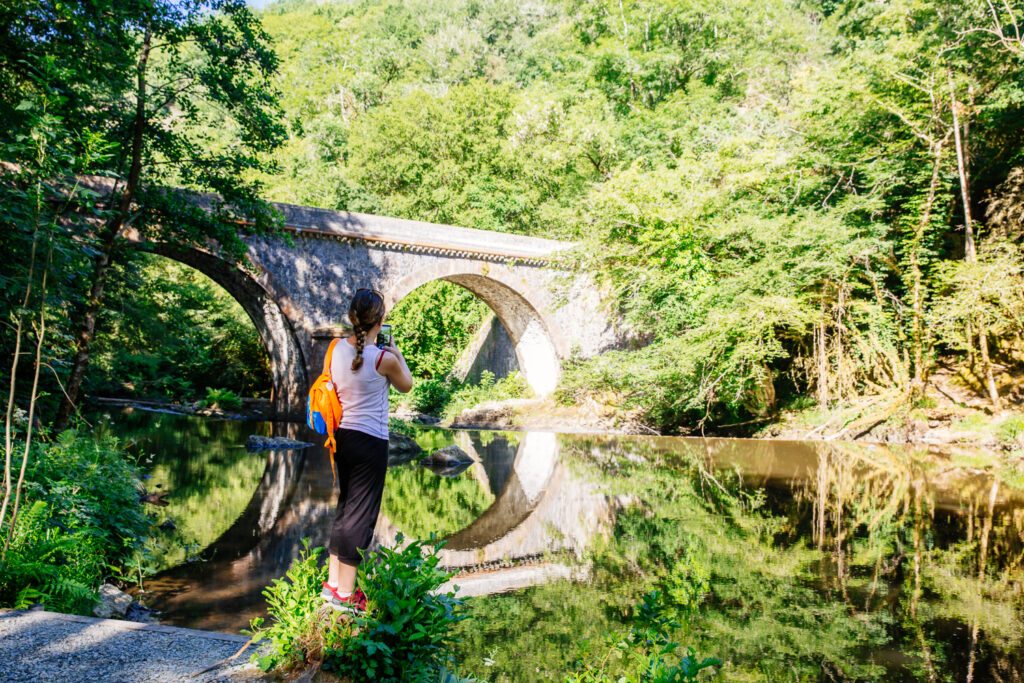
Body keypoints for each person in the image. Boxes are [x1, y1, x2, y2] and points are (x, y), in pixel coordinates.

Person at [321, 288, 413, 612]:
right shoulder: (383, 359)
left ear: (352, 317)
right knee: (361, 517)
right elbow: (407, 385)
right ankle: (346, 595)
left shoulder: (334, 350)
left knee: (346, 509)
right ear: (381, 319)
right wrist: (397, 352)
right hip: (371, 441)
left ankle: (332, 585)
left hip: (342, 438)